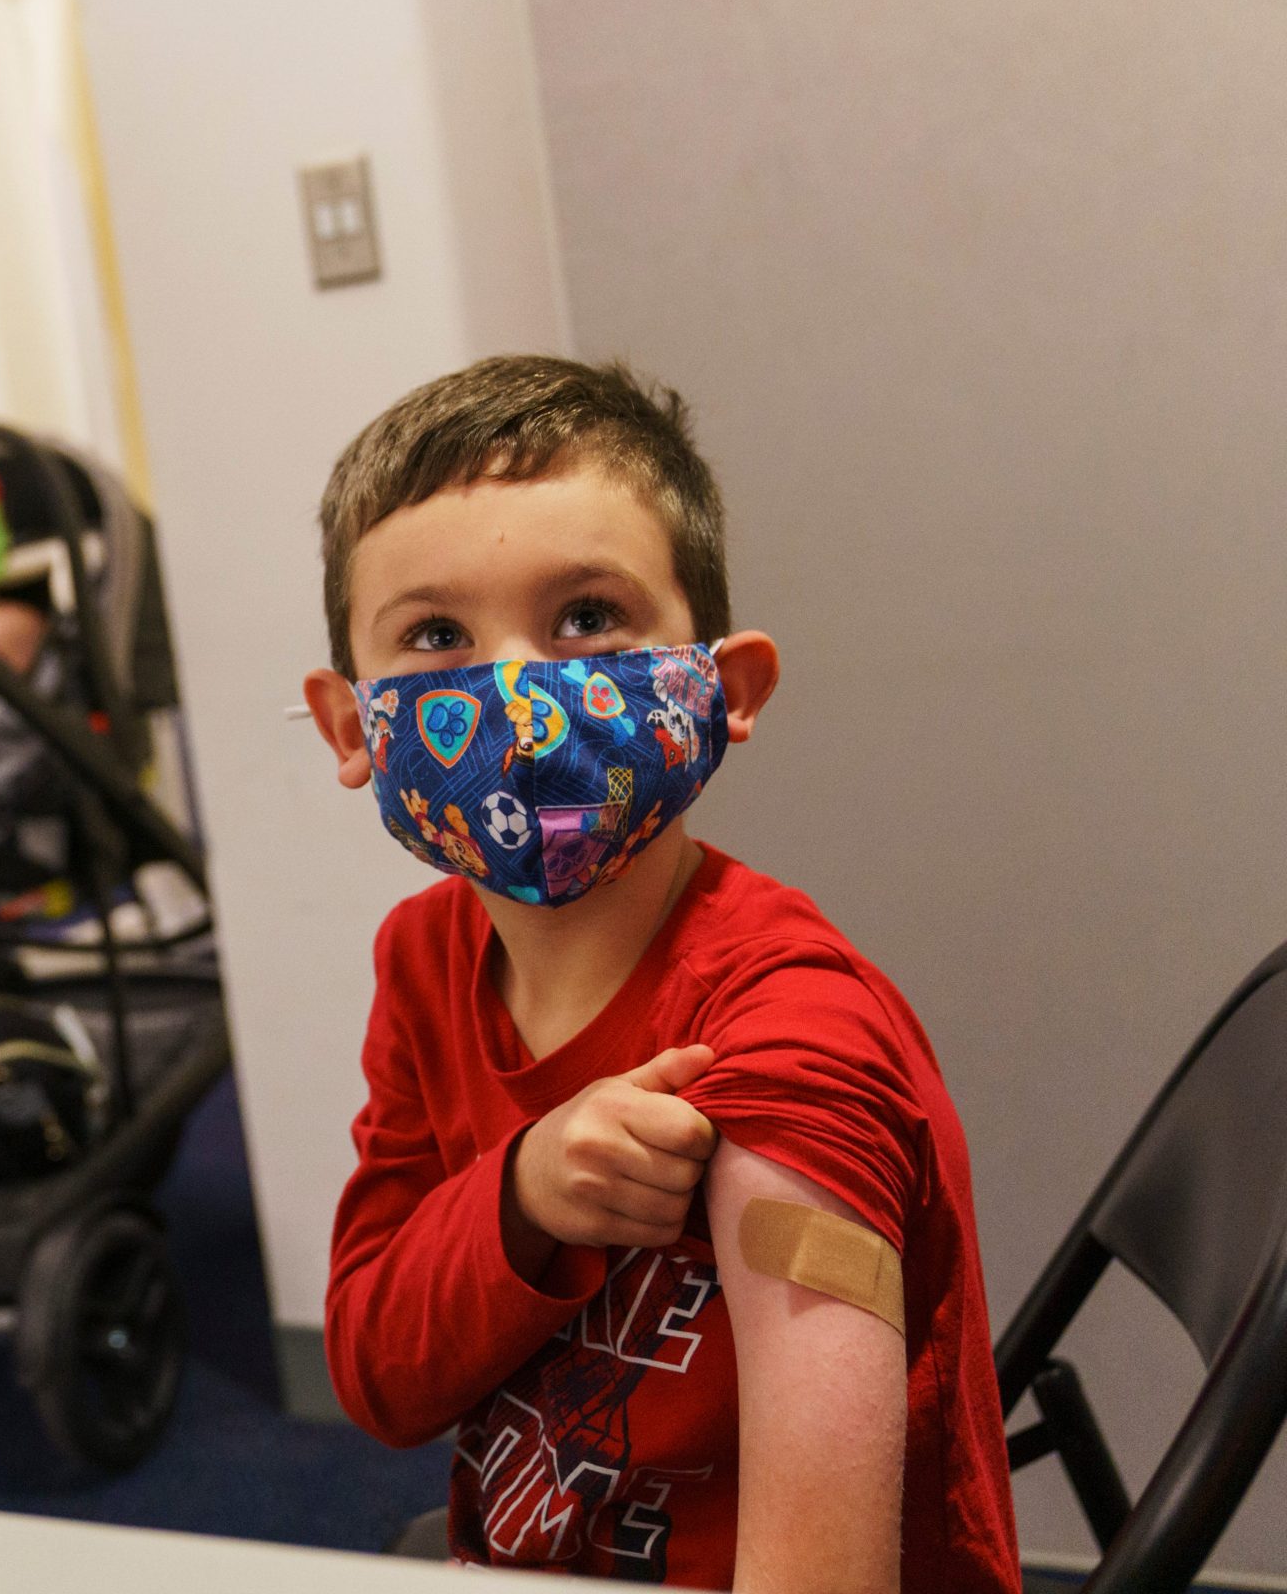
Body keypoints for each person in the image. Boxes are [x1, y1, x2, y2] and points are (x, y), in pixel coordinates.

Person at [299, 357, 1015, 1590]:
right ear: (353, 728)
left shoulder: (792, 1046)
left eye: (585, 617)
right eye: (434, 637)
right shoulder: (423, 960)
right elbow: (374, 1373)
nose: (515, 694)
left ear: (723, 690)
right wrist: (522, 1194)